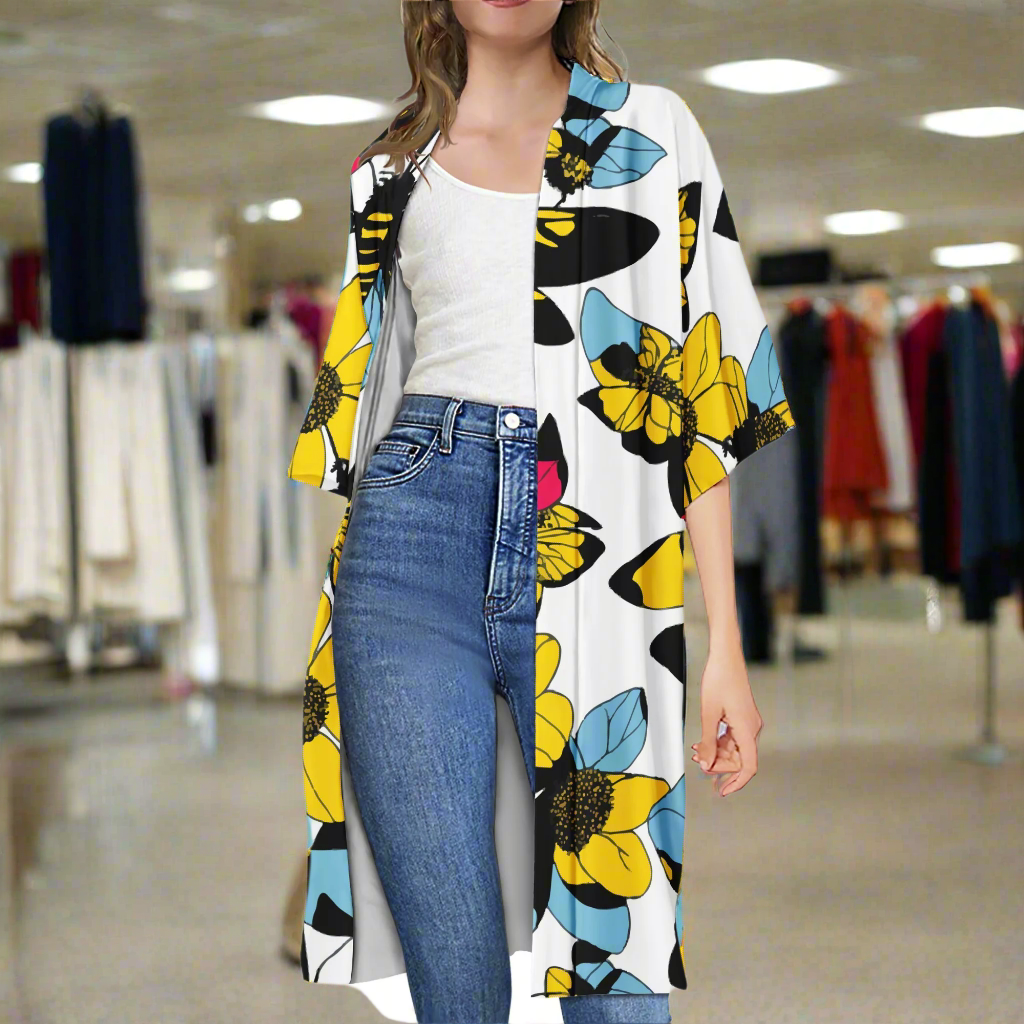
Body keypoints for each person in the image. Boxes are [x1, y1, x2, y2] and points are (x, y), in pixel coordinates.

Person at [289, 3, 794, 1023]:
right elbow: (361, 399)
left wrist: (726, 647)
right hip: (408, 543)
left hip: (597, 545)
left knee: (614, 954)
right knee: (455, 973)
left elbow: (702, 399)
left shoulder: (652, 132)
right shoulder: (390, 170)